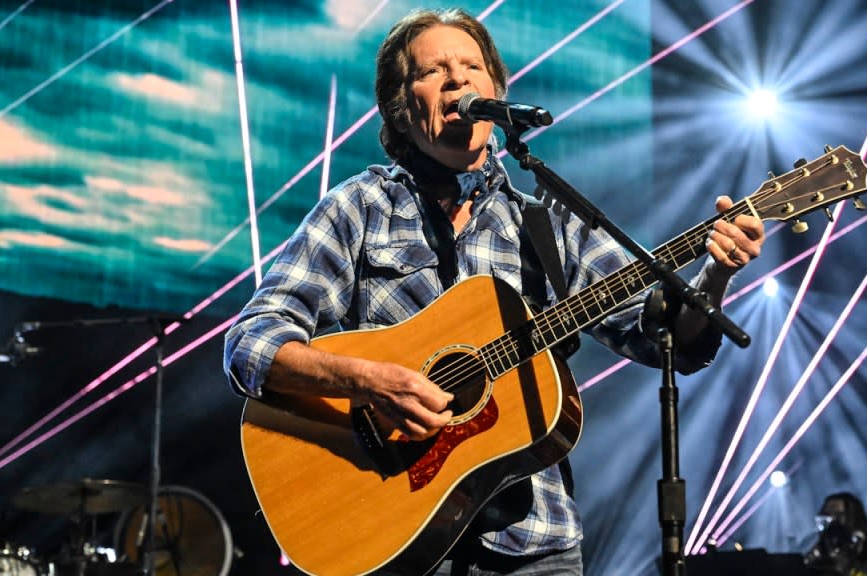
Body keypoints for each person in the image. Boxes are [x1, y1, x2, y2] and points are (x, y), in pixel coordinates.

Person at [224, 7, 765, 575]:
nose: (458, 80)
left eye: (472, 66)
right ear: (399, 108)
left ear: (495, 93)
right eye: (433, 71)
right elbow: (252, 345)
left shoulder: (547, 225)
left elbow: (660, 338)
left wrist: (714, 274)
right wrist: (370, 382)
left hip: (534, 548)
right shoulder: (358, 209)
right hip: (392, 541)